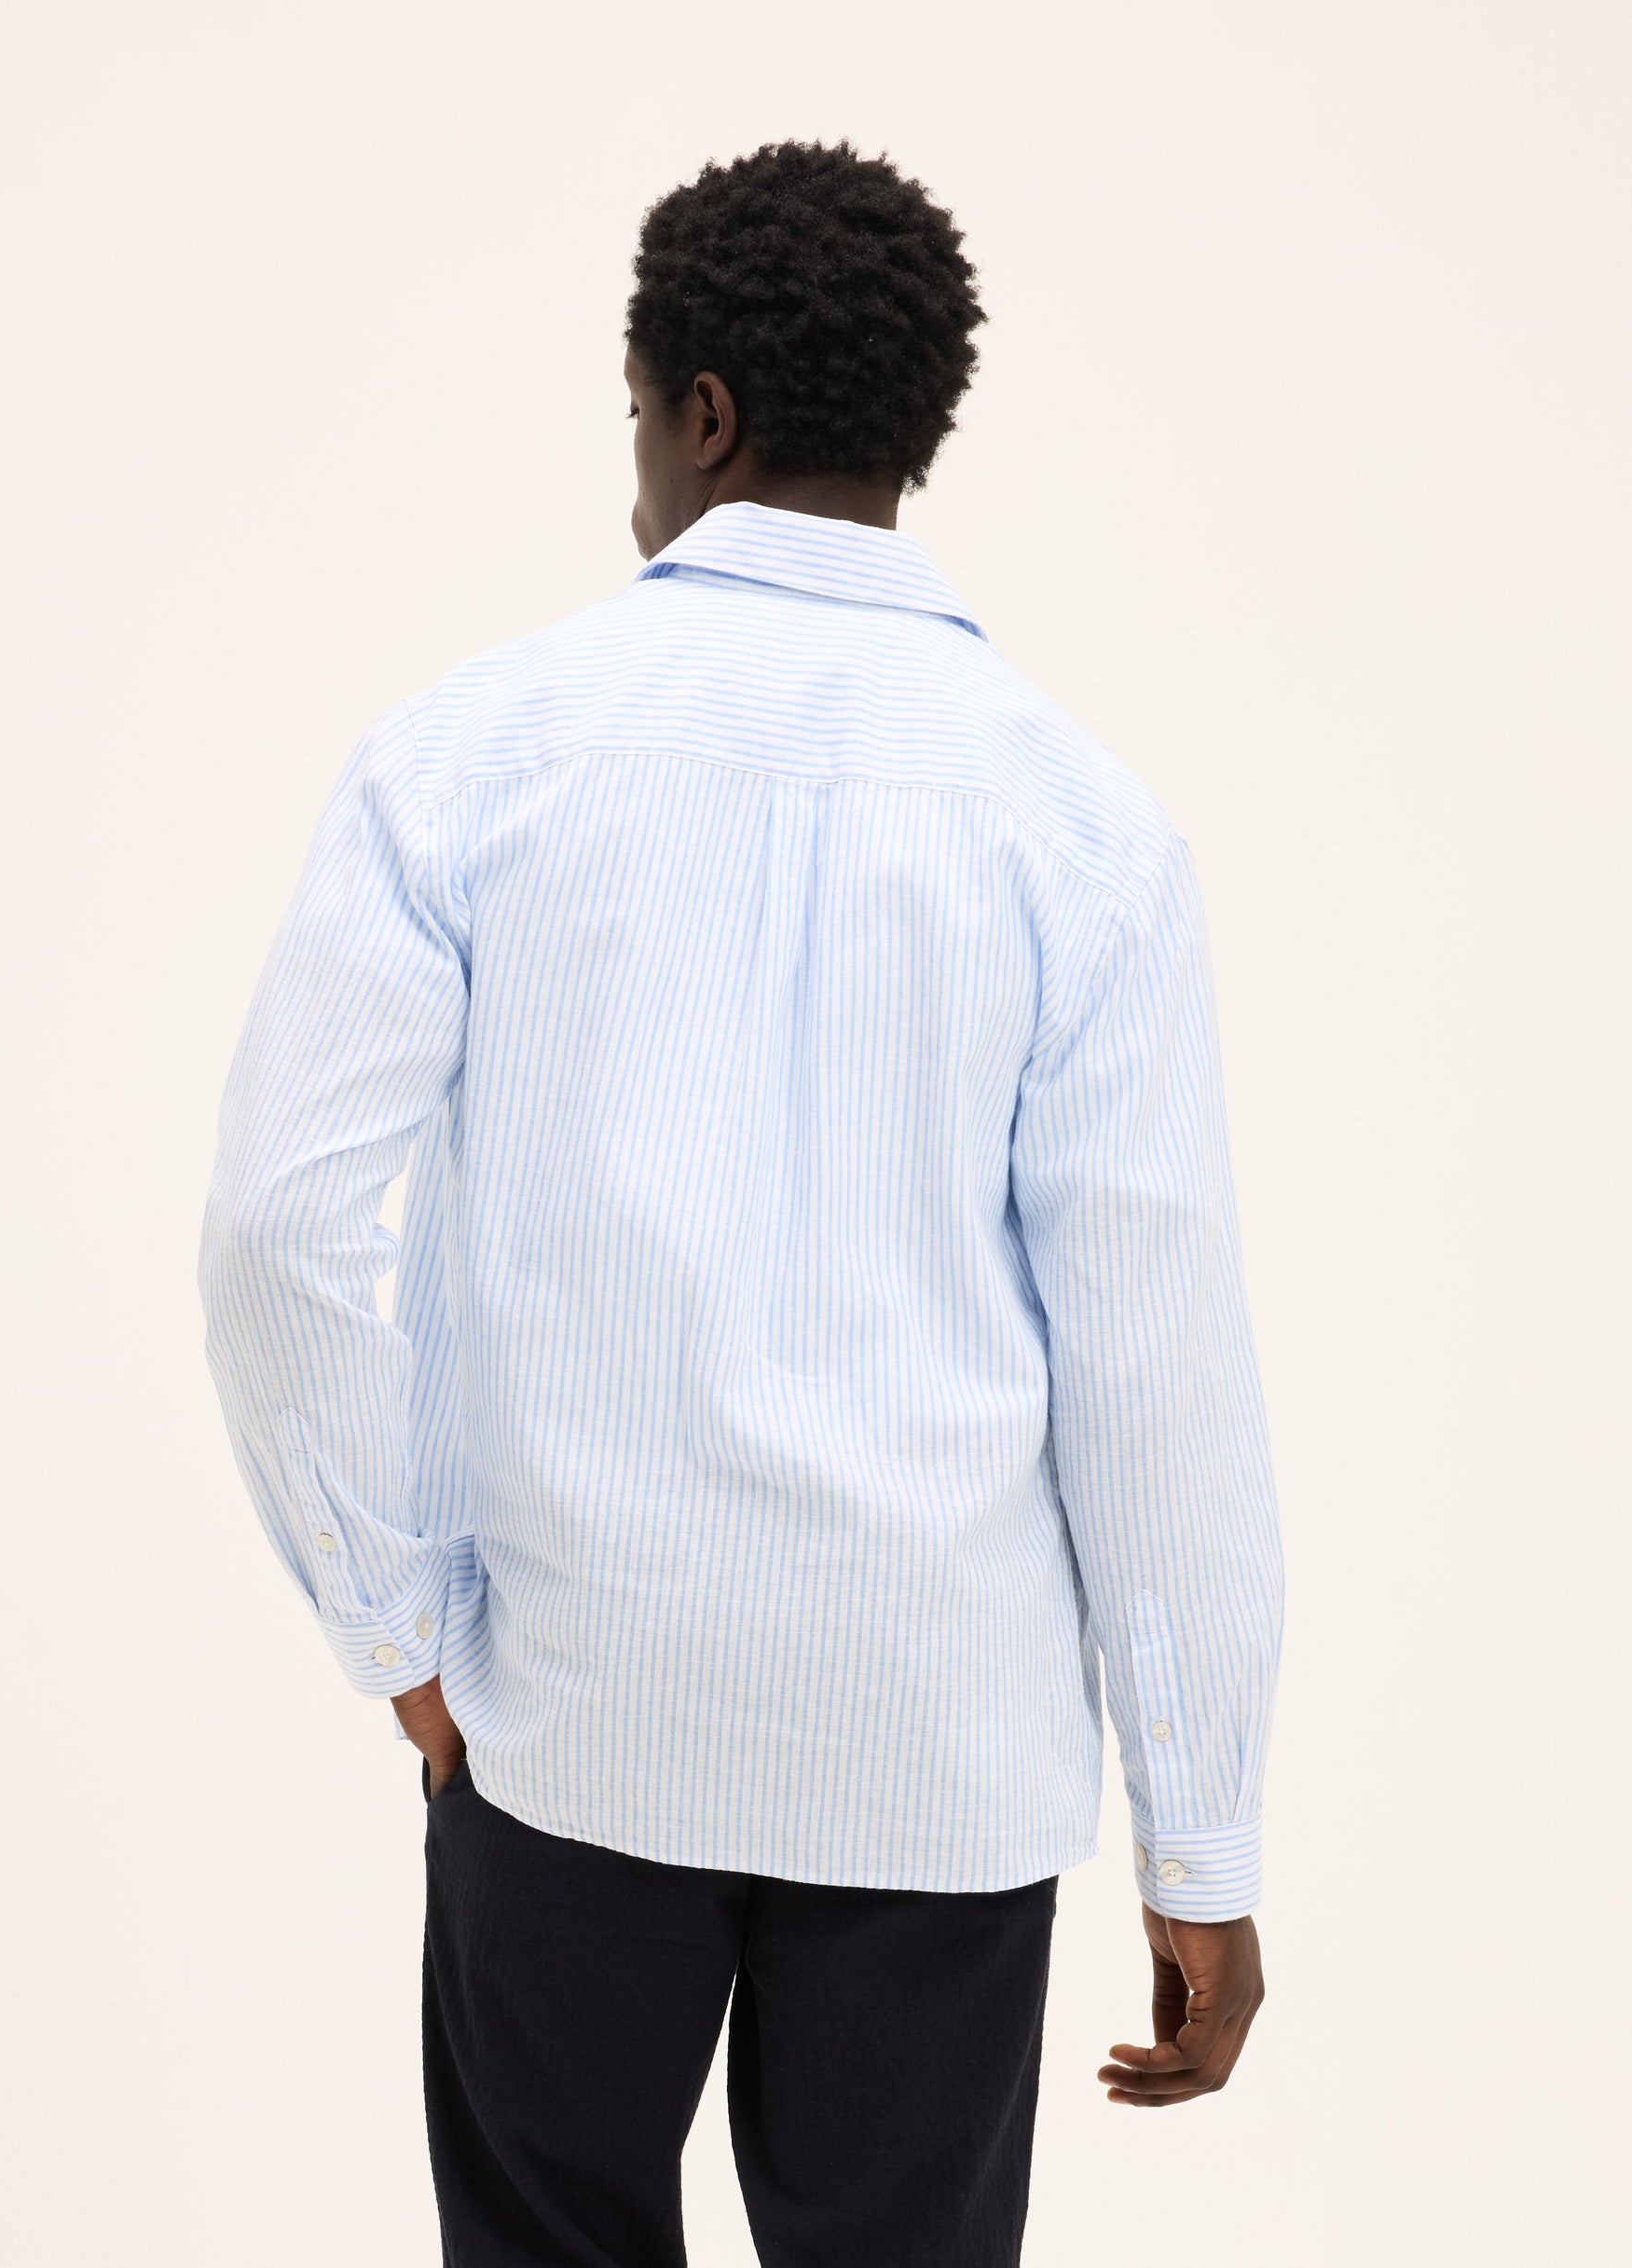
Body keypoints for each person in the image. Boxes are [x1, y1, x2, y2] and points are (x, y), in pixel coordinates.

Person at [199, 137, 1282, 2266]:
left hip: (565, 1719)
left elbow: (275, 1230)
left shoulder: (469, 754)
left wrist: (394, 1625)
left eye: (634, 413)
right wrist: (1202, 1835)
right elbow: (1153, 1364)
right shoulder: (1079, 826)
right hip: (936, 1757)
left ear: (700, 413)